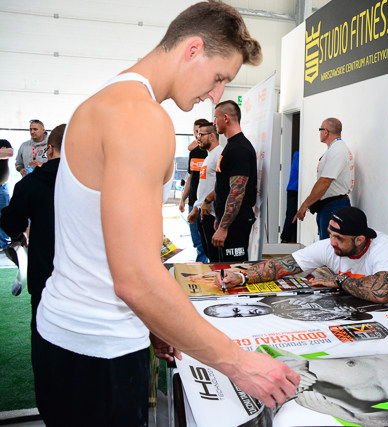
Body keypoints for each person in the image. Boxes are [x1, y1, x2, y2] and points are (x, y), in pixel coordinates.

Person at [33, 3, 299, 426]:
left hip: (64, 338)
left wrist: (158, 323)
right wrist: (239, 363)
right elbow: (135, 280)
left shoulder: (105, 100)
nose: (216, 95)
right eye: (219, 78)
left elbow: (104, 243)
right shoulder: (142, 117)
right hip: (99, 351)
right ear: (192, 50)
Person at [216, 207, 388, 313]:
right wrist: (241, 277)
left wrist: (339, 280)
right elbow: (281, 265)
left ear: (359, 240)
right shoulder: (330, 246)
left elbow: (382, 292)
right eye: (330, 234)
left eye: (338, 238)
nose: (332, 242)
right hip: (353, 313)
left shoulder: (384, 248)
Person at [1, 124, 65, 330]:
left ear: (50, 149)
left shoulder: (30, 183)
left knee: (44, 330)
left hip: (44, 272)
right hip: (90, 278)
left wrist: (18, 237)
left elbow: (11, 222)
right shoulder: (99, 181)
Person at [211, 100, 257, 262]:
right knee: (224, 268)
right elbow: (224, 186)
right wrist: (220, 218)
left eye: (215, 118)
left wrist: (224, 226)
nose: (214, 123)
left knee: (234, 269)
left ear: (226, 118)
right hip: (229, 221)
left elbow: (237, 192)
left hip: (236, 223)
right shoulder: (231, 146)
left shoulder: (239, 149)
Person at [293, 118, 354, 240]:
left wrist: (305, 205)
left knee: (330, 246)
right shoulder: (335, 149)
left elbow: (325, 181)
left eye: (320, 129)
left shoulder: (337, 150)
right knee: (326, 245)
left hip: (334, 207)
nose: (319, 132)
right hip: (331, 205)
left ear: (325, 132)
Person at [204, 294, 388, 321]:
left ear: (238, 303)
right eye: (238, 317)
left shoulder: (275, 297)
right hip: (370, 315)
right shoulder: (280, 318)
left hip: (369, 303)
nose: (247, 313)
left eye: (237, 310)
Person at [188, 122, 223, 263]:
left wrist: (208, 201)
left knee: (215, 258)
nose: (198, 138)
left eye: (201, 134)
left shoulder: (219, 154)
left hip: (212, 214)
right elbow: (205, 186)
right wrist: (196, 207)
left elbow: (223, 184)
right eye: (197, 134)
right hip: (203, 212)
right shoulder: (209, 156)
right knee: (208, 255)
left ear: (212, 136)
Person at [179, 118, 210, 262]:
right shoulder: (194, 153)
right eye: (195, 132)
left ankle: (207, 268)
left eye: (199, 132)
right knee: (197, 242)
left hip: (207, 204)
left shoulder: (213, 153)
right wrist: (182, 199)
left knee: (207, 241)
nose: (197, 135)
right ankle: (201, 266)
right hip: (193, 202)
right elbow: (190, 178)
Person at [280, 150, 299, 243]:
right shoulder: (298, 156)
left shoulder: (297, 155)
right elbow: (303, 169)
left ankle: (288, 238)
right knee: (291, 215)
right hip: (294, 190)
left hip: (295, 190)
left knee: (293, 215)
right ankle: (285, 238)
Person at [0, 138, 14, 250]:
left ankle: (4, 244)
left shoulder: (3, 142)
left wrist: (4, 152)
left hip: (2, 188)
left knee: (4, 216)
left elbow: (9, 153)